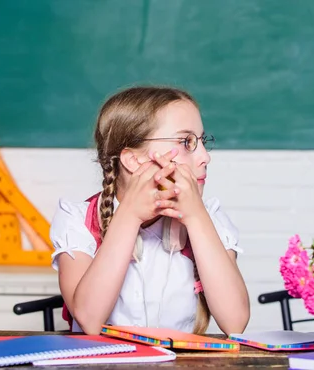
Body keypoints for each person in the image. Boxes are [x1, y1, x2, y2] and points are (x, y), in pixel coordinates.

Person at [49, 86, 250, 336]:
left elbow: (236, 322)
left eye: (202, 141)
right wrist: (130, 216)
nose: (205, 156)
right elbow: (89, 320)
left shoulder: (211, 217)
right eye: (187, 142)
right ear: (134, 160)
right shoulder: (78, 220)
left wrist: (197, 217)